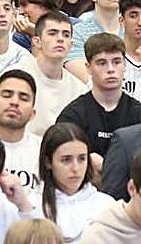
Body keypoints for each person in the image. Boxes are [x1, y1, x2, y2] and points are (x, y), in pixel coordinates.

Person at [57, 33, 141, 166]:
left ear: (125, 65)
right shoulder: (73, 115)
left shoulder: (138, 113)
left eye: (116, 62)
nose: (110, 69)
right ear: (88, 67)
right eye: (102, 63)